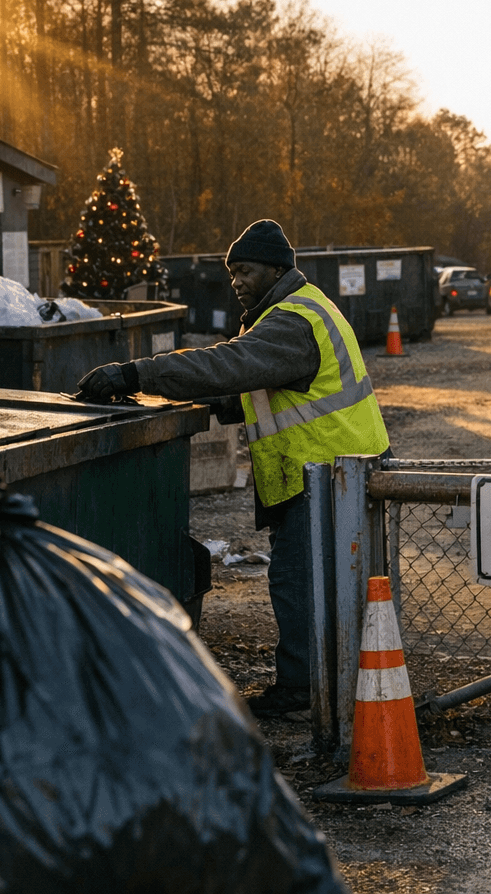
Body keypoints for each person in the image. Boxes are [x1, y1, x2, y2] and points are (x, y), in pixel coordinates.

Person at [77, 219, 389, 718]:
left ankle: (302, 693)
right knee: (322, 583)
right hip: (336, 471)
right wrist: (194, 397)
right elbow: (253, 389)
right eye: (232, 274)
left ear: (276, 270)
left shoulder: (292, 322)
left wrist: (138, 373)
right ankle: (332, 682)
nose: (236, 282)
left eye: (245, 271)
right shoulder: (297, 312)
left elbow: (228, 364)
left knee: (297, 582)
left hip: (326, 474)